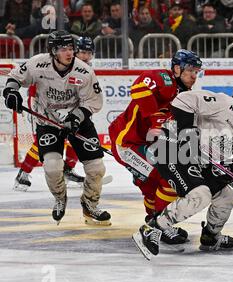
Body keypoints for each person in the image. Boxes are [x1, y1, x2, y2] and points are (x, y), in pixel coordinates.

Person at [133, 79, 233, 258]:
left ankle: (210, 237)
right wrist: (188, 136)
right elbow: (182, 100)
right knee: (200, 195)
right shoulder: (223, 103)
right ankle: (152, 228)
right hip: (172, 149)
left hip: (201, 162)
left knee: (226, 197)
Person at [2, 30, 111, 226]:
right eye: (63, 49)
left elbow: (94, 101)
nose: (69, 53)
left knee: (96, 167)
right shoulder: (38, 63)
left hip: (78, 121)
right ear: (53, 51)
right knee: (52, 167)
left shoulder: (84, 71)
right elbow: (15, 77)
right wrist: (11, 91)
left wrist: (76, 118)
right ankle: (60, 198)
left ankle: (90, 203)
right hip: (47, 121)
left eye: (71, 48)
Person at [108, 49, 202, 244]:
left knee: (152, 185)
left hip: (144, 145)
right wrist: (156, 120)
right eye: (191, 70)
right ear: (177, 68)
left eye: (197, 71)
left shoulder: (185, 96)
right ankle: (161, 224)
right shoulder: (163, 78)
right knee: (169, 177)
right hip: (127, 143)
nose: (194, 76)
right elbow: (138, 88)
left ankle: (153, 223)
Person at [14, 36, 97, 192]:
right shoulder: (56, 65)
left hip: (71, 108)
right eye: (82, 52)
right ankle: (23, 173)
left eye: (89, 52)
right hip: (46, 106)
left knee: (76, 134)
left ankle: (68, 169)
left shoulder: (84, 69)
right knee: (46, 139)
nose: (85, 56)